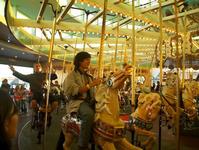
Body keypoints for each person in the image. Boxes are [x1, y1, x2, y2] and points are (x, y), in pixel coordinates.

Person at [63, 51, 101, 150]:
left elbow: (94, 92)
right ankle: (82, 145)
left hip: (90, 101)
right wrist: (91, 85)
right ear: (80, 61)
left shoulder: (89, 76)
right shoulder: (72, 75)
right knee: (88, 114)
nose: (89, 62)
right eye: (87, 60)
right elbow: (75, 91)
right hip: (79, 102)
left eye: (89, 60)